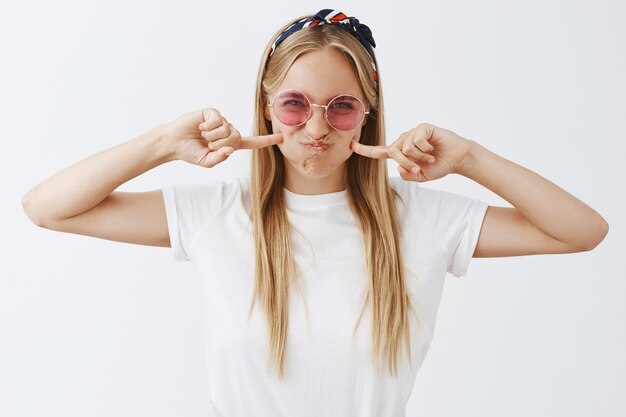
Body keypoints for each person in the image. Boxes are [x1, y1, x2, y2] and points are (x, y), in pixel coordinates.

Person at [21, 8, 608, 417]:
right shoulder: (219, 213)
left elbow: (583, 231)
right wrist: (164, 142)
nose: (318, 129)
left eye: (342, 108)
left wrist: (470, 158)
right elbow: (47, 208)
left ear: (369, 113)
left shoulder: (423, 220)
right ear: (267, 107)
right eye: (296, 105)